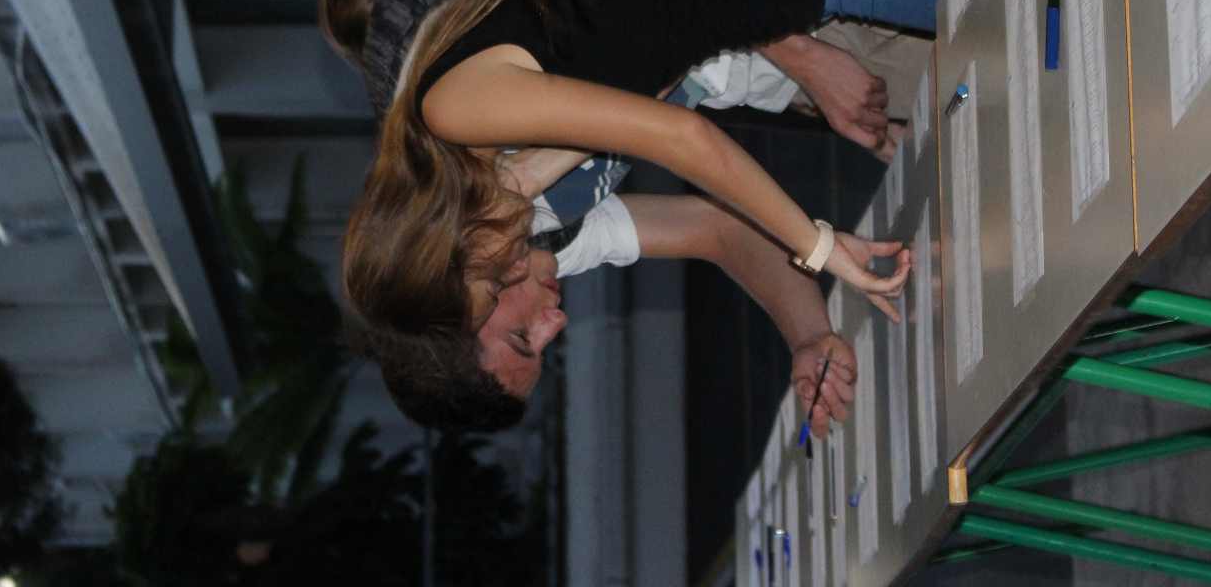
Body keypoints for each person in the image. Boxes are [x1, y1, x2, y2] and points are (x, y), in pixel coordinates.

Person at [341, 0, 993, 383]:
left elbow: (681, 136)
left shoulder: (454, 111)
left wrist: (816, 246)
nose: (515, 270)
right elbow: (642, 91)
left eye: (489, 280)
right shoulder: (488, 154)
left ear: (449, 245)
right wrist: (521, 183)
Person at [367, 188, 862, 436]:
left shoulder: (485, 168)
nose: (556, 322)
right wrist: (809, 336)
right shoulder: (548, 252)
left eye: (522, 336)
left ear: (458, 303)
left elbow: (683, 131)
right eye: (542, 348)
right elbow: (720, 229)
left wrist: (799, 56)